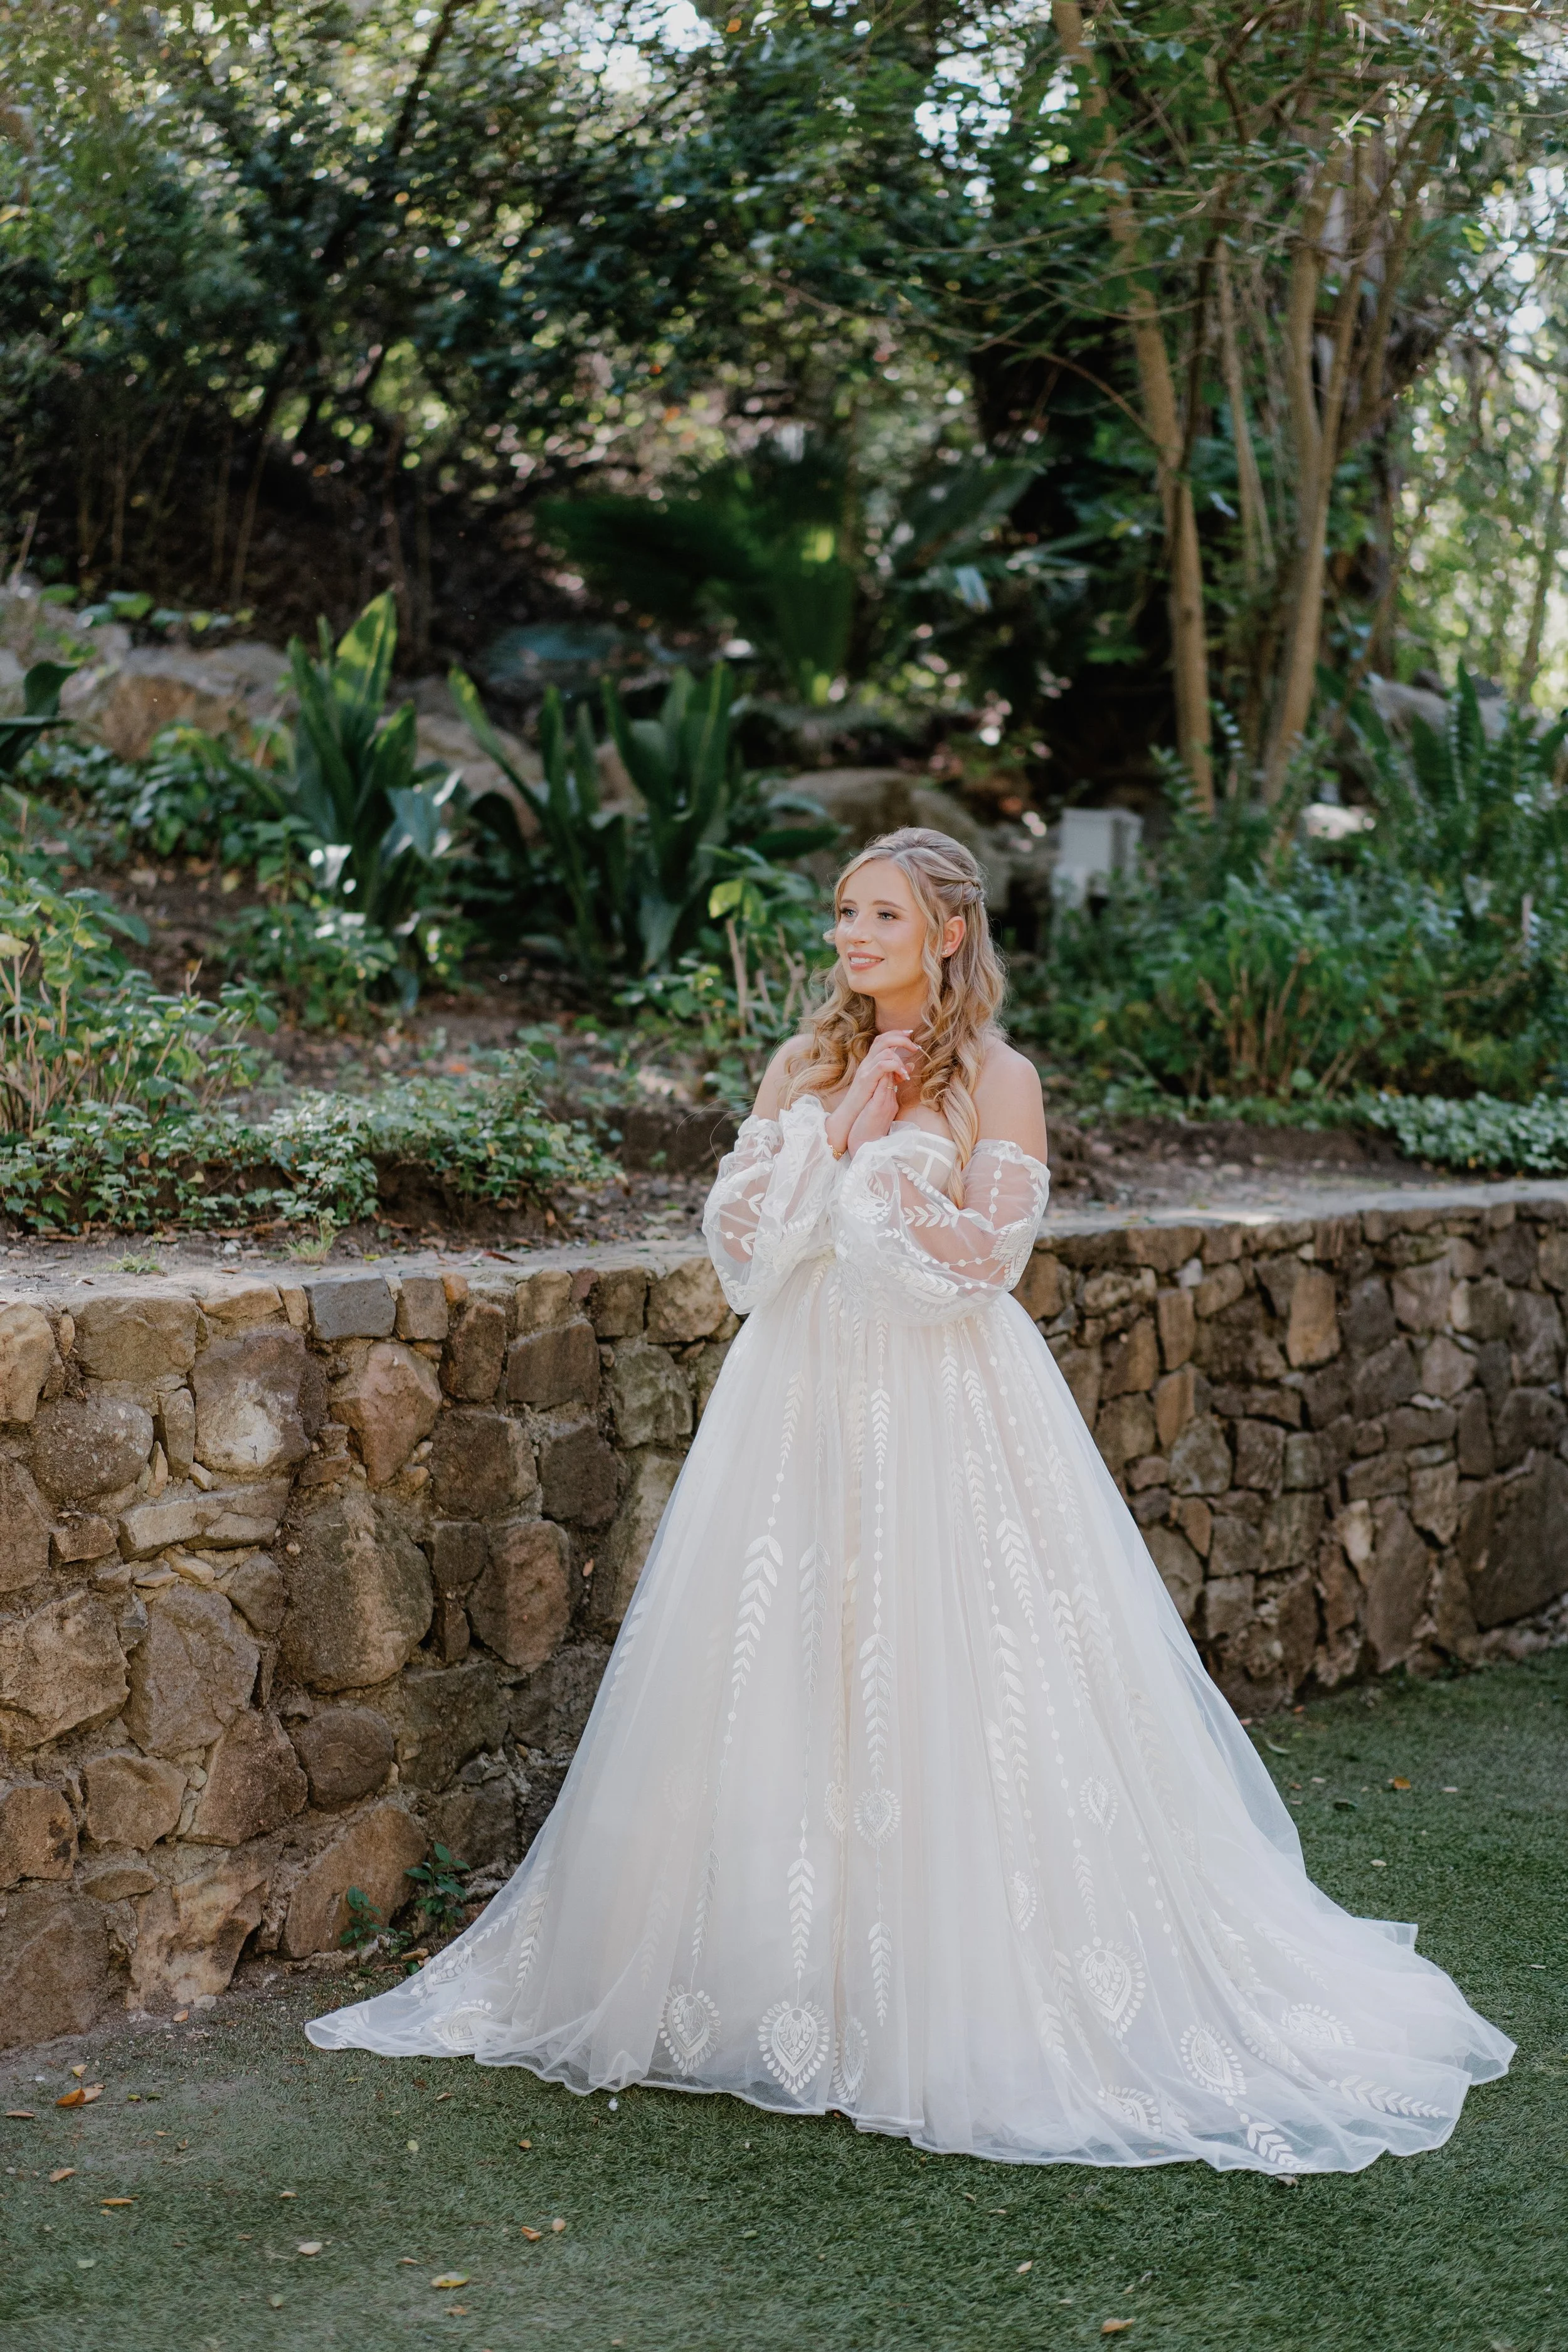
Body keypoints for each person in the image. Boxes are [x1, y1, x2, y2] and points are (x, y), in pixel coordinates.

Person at [307, 826, 1511, 2172]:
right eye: (842, 912)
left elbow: (986, 1262)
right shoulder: (800, 1064)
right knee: (782, 1662)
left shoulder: (1000, 1078)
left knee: (948, 1663)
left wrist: (877, 1173)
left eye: (881, 914)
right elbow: (745, 1255)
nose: (852, 935)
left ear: (947, 932)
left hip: (943, 1402)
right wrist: (840, 1130)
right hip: (795, 1394)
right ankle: (775, 1977)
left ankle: (951, 1987)